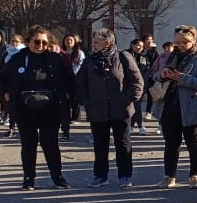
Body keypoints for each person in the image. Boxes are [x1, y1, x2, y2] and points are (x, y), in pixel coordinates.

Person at [77, 28, 143, 189]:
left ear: (107, 43)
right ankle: (100, 176)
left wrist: (127, 100)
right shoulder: (90, 61)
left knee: (123, 143)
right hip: (97, 110)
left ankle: (125, 175)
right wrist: (87, 101)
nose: (93, 45)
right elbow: (79, 83)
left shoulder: (123, 57)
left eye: (96, 42)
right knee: (100, 144)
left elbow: (137, 82)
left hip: (121, 109)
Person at [9, 26, 72, 190]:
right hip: (25, 109)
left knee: (50, 143)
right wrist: (6, 94)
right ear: (29, 42)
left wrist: (66, 97)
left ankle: (57, 178)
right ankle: (28, 179)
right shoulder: (18, 58)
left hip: (50, 109)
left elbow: (69, 79)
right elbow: (3, 76)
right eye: (36, 41)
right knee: (28, 144)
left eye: (44, 42)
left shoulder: (56, 59)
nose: (40, 45)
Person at [152, 25, 197, 190]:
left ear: (193, 40)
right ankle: (169, 176)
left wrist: (181, 78)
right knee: (171, 144)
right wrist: (162, 75)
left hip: (191, 106)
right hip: (169, 105)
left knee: (194, 143)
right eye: (177, 42)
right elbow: (155, 75)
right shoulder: (169, 57)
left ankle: (195, 175)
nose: (180, 46)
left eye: (184, 42)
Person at [0, 32, 26, 138]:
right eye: (12, 41)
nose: (14, 43)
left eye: (17, 41)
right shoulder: (6, 54)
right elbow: (2, 71)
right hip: (11, 86)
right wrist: (5, 90)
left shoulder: (24, 54)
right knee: (12, 108)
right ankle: (12, 128)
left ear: (21, 42)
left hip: (24, 86)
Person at [59, 35, 85, 141]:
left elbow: (81, 65)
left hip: (76, 77)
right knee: (65, 100)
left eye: (71, 40)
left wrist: (75, 73)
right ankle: (66, 122)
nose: (69, 42)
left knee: (75, 98)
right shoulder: (61, 52)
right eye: (67, 40)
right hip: (64, 78)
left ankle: (75, 116)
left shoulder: (79, 53)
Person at [128, 38, 152, 134]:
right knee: (136, 104)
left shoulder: (144, 57)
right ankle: (141, 125)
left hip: (141, 85)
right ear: (132, 45)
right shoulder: (126, 55)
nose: (139, 48)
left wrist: (144, 84)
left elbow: (146, 71)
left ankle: (131, 126)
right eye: (138, 45)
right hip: (129, 85)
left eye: (141, 46)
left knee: (135, 105)